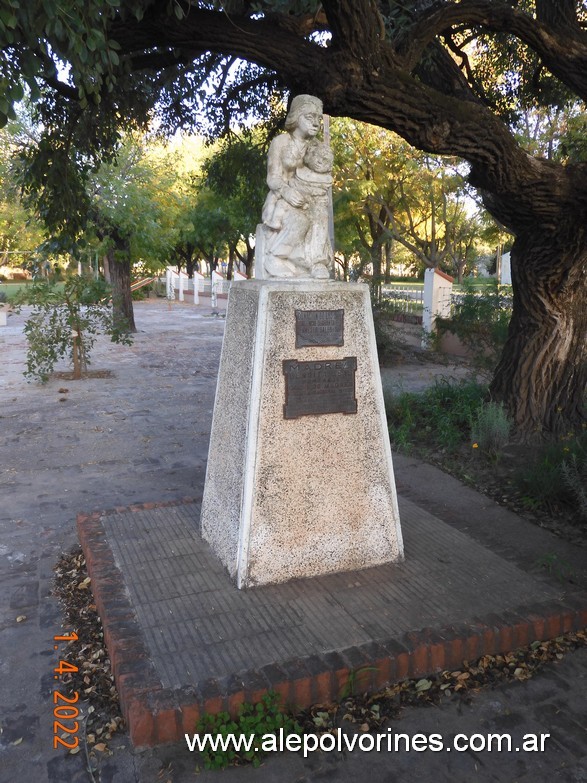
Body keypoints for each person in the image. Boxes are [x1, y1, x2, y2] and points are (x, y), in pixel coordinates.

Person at [258, 94, 334, 279]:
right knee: (301, 220)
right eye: (309, 117)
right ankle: (275, 257)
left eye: (318, 118)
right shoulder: (281, 142)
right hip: (282, 199)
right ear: (296, 116)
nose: (315, 123)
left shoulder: (317, 147)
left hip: (311, 198)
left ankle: (317, 263)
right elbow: (273, 178)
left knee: (320, 214)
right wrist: (287, 192)